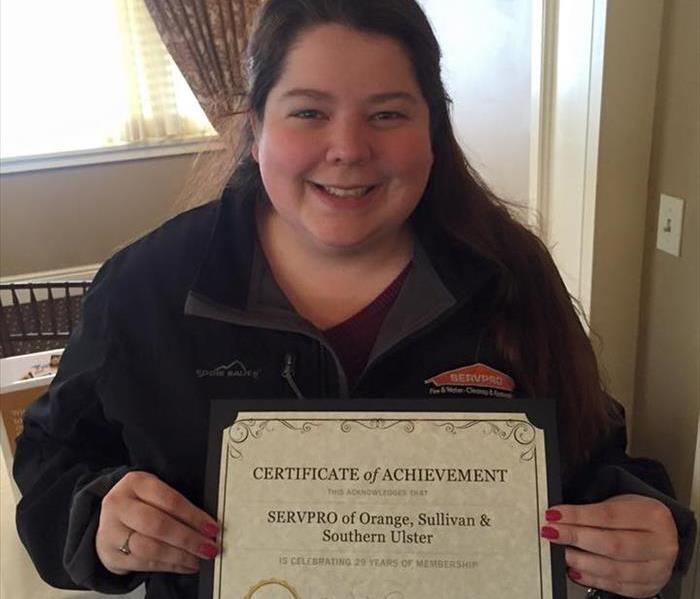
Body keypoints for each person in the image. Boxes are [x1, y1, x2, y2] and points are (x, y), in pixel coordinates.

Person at [13, 1, 695, 598]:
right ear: (255, 128)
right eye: (309, 111)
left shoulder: (511, 275)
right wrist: (98, 518)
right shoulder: (145, 287)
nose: (348, 149)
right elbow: (51, 457)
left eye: (387, 113)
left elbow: (595, 454)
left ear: (434, 128)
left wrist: (647, 525)